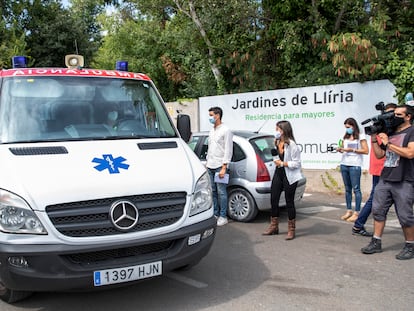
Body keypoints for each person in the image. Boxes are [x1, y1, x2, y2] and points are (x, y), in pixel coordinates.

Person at [361, 105, 414, 260]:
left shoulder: (411, 132)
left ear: (408, 116)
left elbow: (410, 153)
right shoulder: (391, 132)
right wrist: (374, 138)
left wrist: (389, 144)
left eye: (398, 114)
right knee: (378, 210)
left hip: (404, 179)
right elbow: (379, 155)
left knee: (405, 215)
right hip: (386, 178)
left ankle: (410, 245)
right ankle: (376, 242)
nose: (393, 117)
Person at [352, 103, 397, 236]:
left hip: (384, 168)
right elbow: (381, 152)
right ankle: (358, 225)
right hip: (381, 168)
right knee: (375, 198)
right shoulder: (382, 129)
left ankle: (358, 225)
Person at [262, 120, 303, 240]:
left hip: (290, 175)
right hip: (278, 173)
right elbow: (277, 157)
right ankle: (274, 226)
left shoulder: (292, 145)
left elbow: (297, 163)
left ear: (284, 130)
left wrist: (283, 163)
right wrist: (276, 160)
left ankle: (291, 229)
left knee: (289, 202)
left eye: (278, 130)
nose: (276, 132)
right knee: (273, 199)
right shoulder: (277, 141)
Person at [337, 118, 369, 222]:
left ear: (353, 126)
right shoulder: (345, 137)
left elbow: (366, 150)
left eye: (349, 127)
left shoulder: (360, 136)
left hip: (355, 165)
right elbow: (341, 147)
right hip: (344, 164)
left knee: (356, 189)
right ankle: (349, 210)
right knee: (347, 189)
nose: (347, 129)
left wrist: (353, 150)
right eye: (346, 127)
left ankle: (357, 212)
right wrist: (340, 149)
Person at [206, 106, 233, 226]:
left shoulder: (226, 130)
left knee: (221, 191)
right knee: (213, 191)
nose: (210, 117)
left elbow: (228, 149)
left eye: (211, 115)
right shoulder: (212, 130)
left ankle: (223, 216)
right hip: (210, 165)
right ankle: (215, 213)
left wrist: (224, 166)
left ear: (217, 115)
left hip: (219, 166)